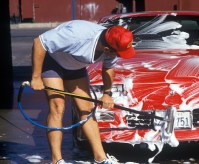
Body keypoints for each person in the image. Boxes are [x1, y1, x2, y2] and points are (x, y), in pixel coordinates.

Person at [30, 20, 135, 164]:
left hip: (75, 66)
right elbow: (39, 42)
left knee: (86, 108)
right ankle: (57, 160)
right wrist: (36, 77)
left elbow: (108, 67)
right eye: (118, 53)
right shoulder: (76, 35)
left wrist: (107, 93)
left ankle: (100, 158)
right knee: (58, 106)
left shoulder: (112, 46)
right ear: (106, 48)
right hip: (52, 61)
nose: (119, 56)